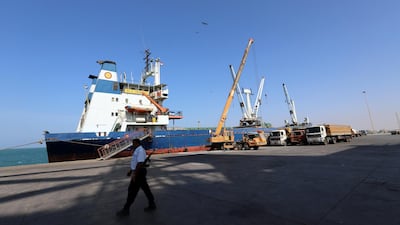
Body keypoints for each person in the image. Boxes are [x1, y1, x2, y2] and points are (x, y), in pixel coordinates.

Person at [116, 138, 156, 217]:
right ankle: (152, 204)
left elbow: (140, 163)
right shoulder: (137, 150)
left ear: (137, 143)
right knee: (145, 189)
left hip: (139, 173)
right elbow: (135, 162)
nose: (132, 145)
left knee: (132, 191)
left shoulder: (140, 150)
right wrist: (131, 171)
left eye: (133, 143)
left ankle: (126, 209)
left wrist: (134, 174)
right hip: (139, 172)